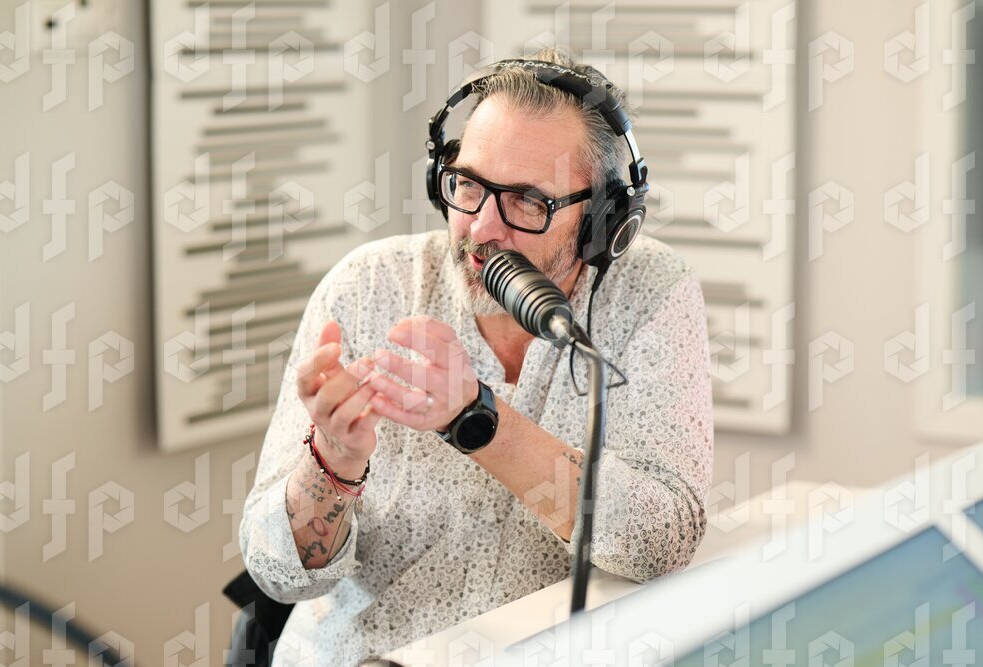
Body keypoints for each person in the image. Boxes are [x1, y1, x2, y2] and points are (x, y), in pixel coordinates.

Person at [239, 48, 713, 666]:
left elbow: (661, 541)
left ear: (601, 221)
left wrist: (477, 419)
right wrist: (333, 461)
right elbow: (276, 575)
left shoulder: (649, 293)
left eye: (528, 200)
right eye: (467, 184)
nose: (482, 229)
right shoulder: (368, 286)